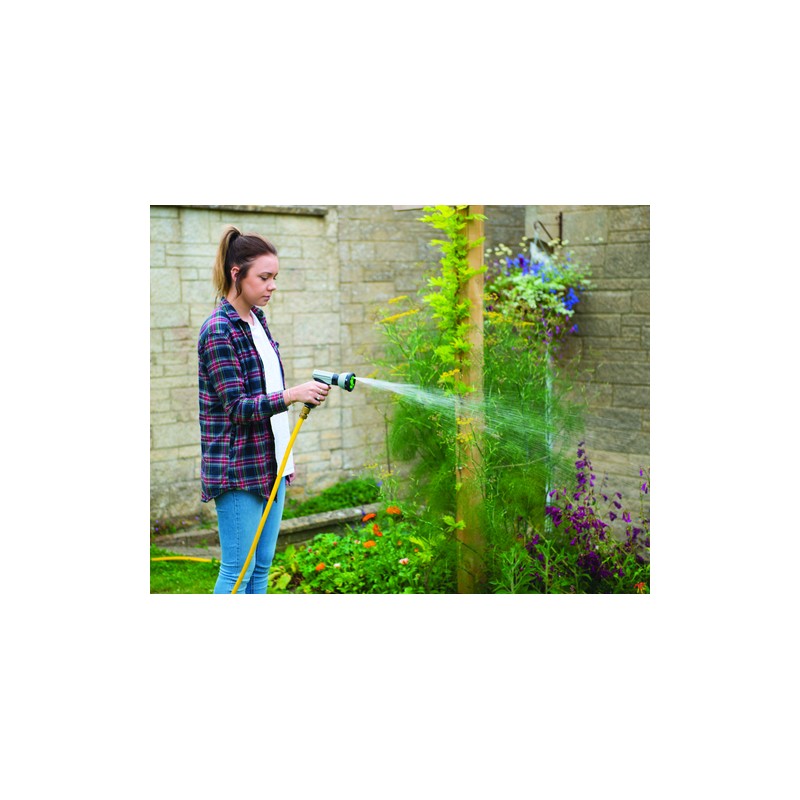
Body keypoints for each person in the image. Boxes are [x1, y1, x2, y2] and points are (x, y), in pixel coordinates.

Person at [198, 225, 329, 594]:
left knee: (261, 567)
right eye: (264, 277)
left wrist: (285, 454)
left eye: (275, 278)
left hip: (271, 462)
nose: (272, 286)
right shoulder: (219, 330)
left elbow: (266, 390)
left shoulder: (257, 321)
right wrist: (293, 394)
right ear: (236, 274)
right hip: (238, 468)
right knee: (237, 571)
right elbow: (237, 407)